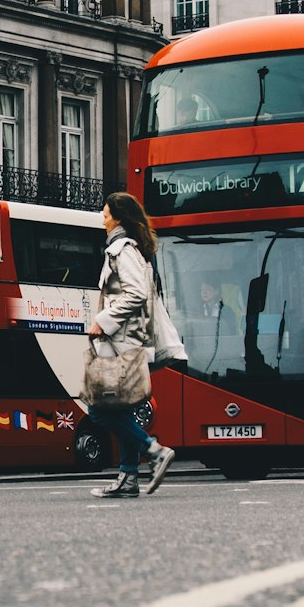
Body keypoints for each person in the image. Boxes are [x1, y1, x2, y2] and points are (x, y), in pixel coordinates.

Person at [85, 191, 176, 501]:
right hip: (128, 339)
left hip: (121, 342)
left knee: (99, 409)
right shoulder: (126, 249)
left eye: (106, 211)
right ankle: (128, 478)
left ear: (118, 217)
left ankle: (154, 450)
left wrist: (104, 320)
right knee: (123, 408)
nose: (102, 215)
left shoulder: (122, 250)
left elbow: (136, 294)